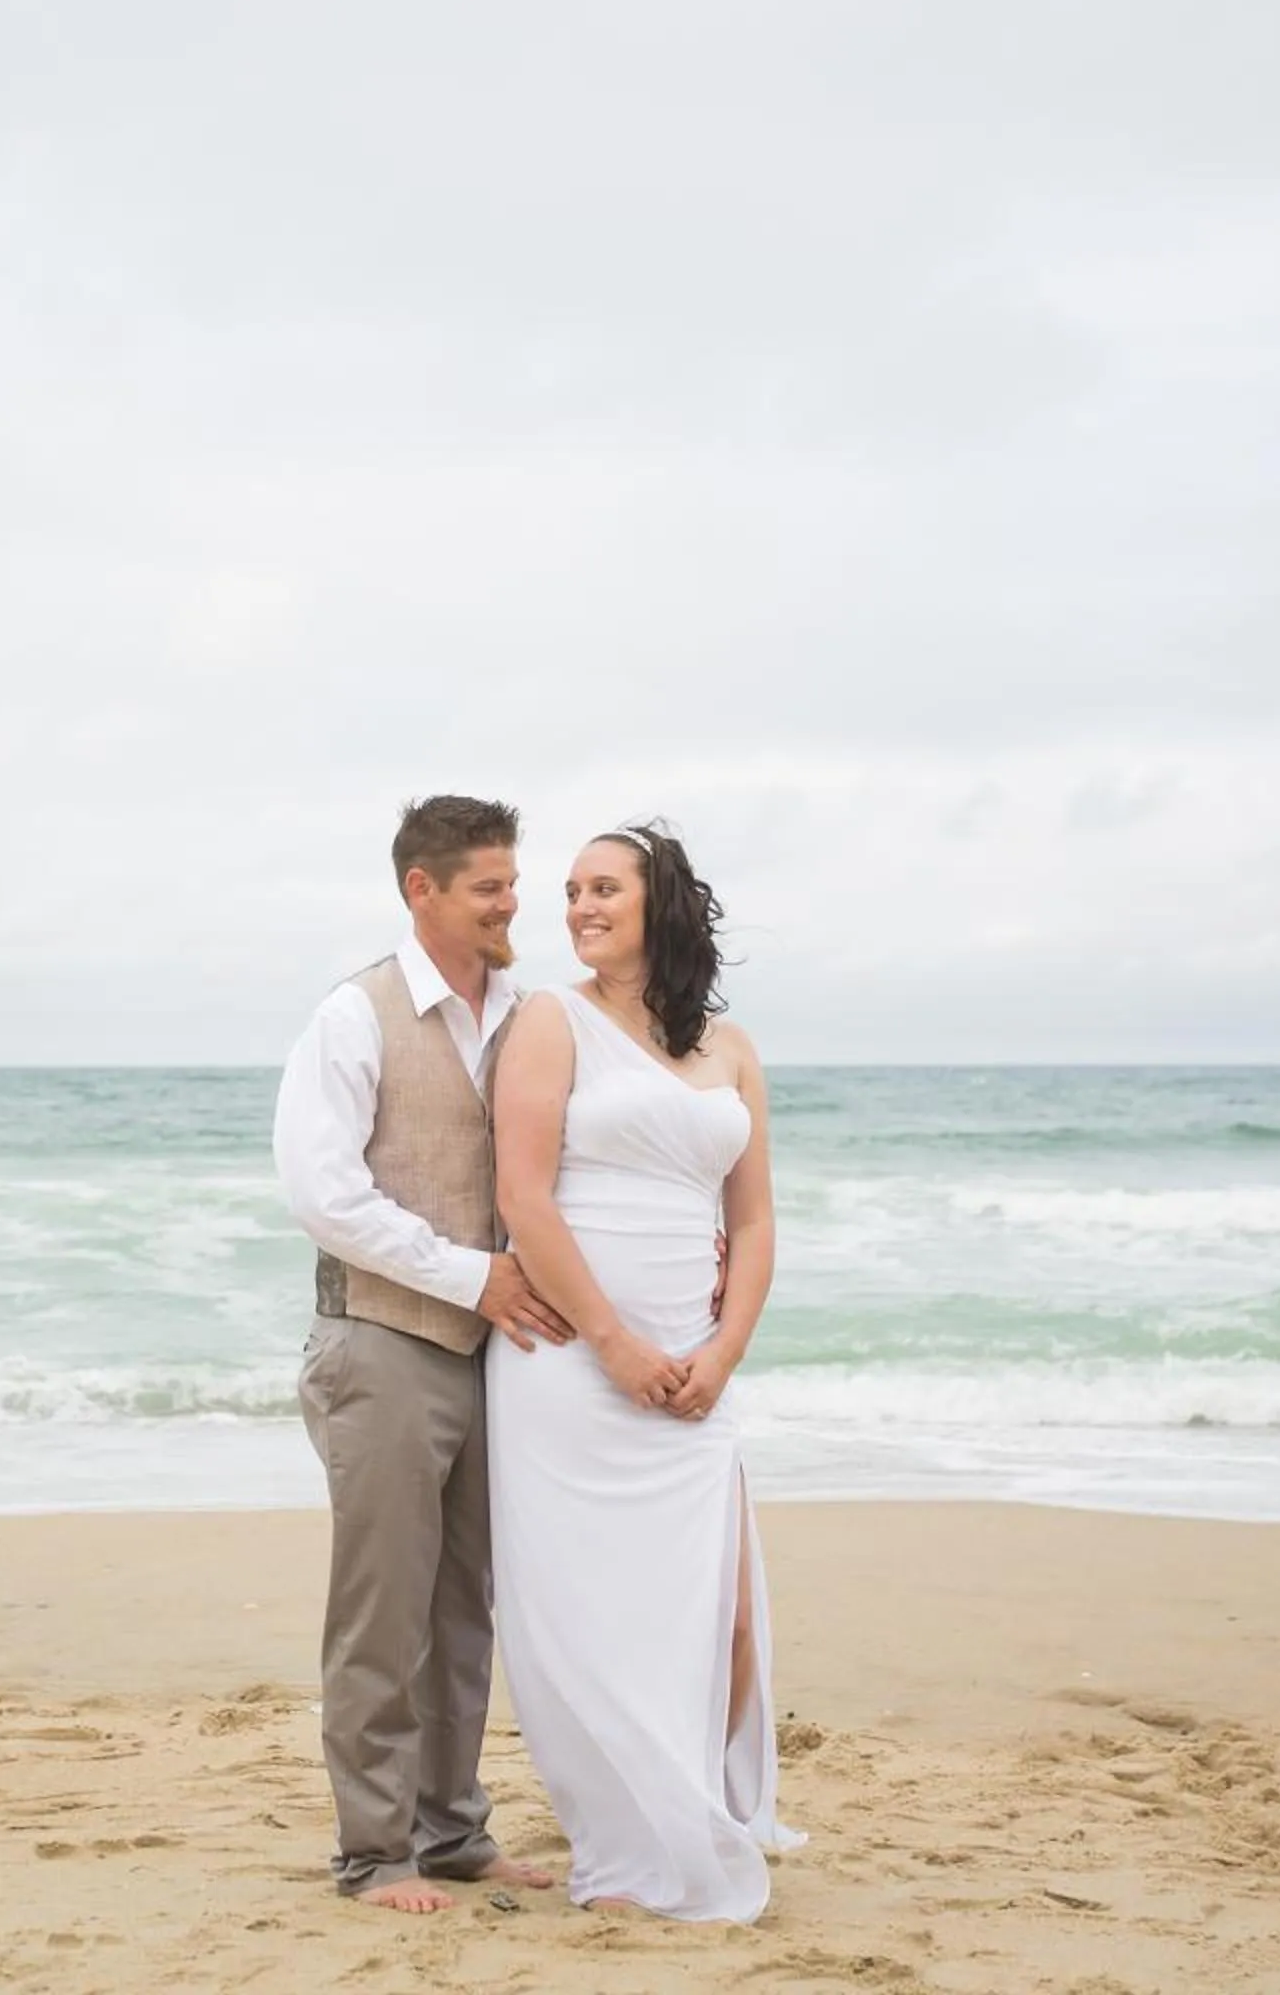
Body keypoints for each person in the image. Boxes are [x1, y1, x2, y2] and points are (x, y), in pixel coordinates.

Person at [484, 820, 804, 1921]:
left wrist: (725, 1351)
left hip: (695, 1370)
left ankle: (699, 1809)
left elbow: (753, 1220)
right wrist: (613, 1343)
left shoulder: (733, 1048)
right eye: (571, 890)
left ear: (658, 901)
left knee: (725, 1617)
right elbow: (523, 1196)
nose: (579, 906)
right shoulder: (550, 1018)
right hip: (574, 1365)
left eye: (603, 888)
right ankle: (626, 1849)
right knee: (591, 1616)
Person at [270, 795, 567, 1914]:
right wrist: (468, 1274)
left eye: (513, 882)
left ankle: (451, 1831)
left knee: (463, 1608)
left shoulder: (528, 1016)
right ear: (421, 890)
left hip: (494, 1353)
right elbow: (325, 1195)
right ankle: (373, 1853)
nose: (511, 904)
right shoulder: (355, 1014)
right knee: (382, 1610)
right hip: (381, 1343)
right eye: (489, 886)